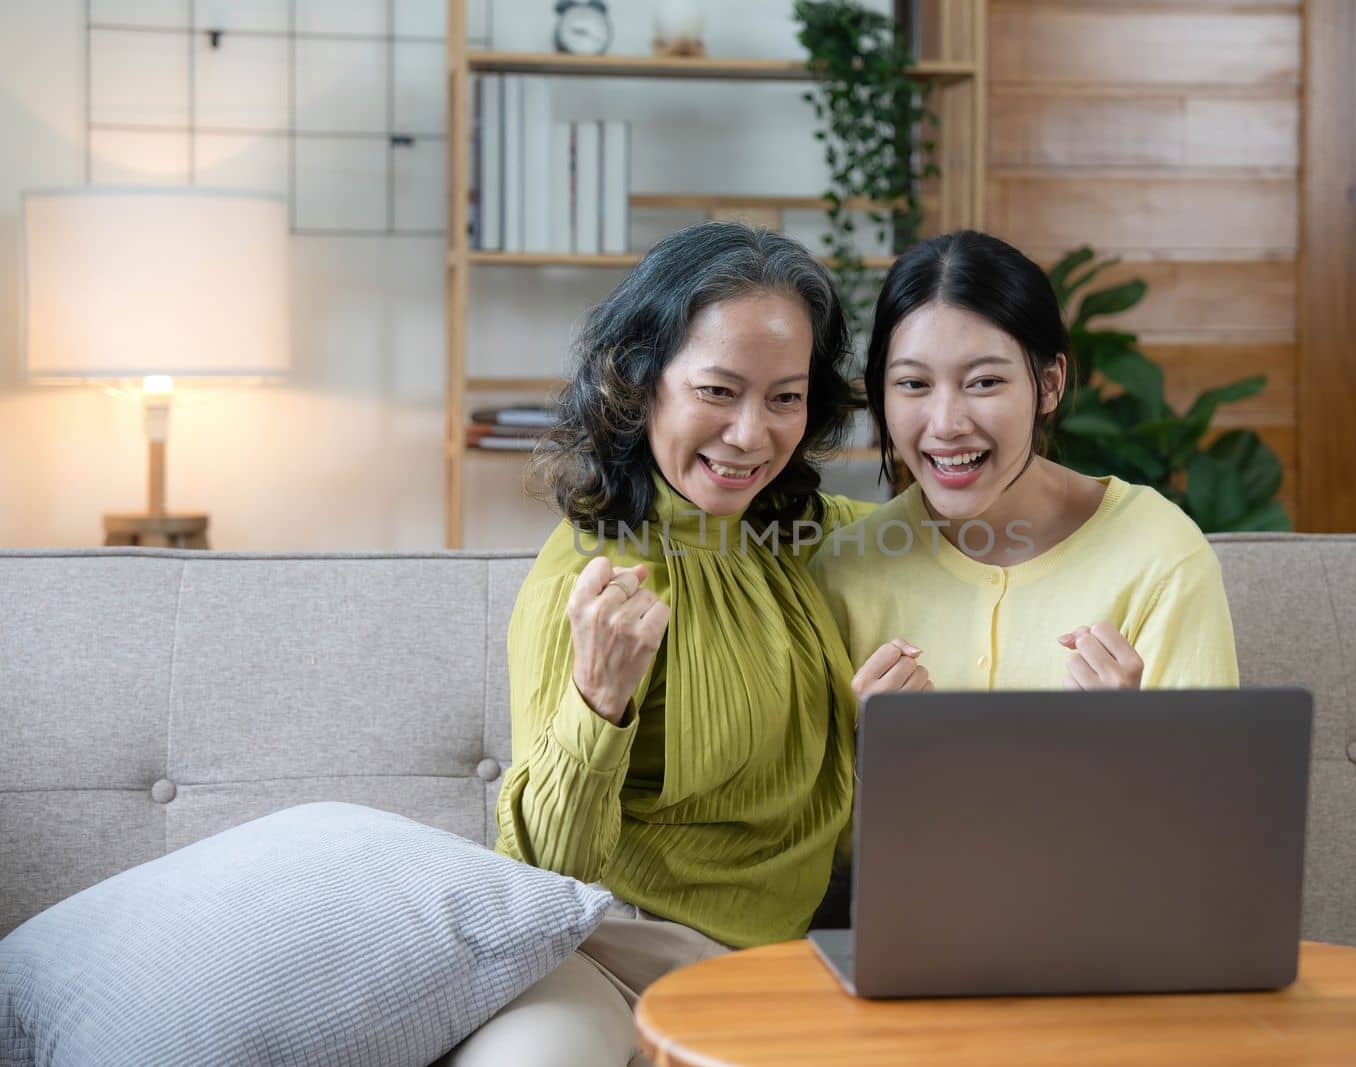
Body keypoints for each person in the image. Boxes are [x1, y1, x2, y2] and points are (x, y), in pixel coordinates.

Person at [449, 222, 871, 1066]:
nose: (752, 434)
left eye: (785, 397)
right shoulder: (591, 575)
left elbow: (981, 534)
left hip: (776, 969)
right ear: (640, 385)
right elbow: (538, 875)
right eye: (718, 390)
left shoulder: (810, 538)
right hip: (606, 957)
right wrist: (596, 705)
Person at [810, 230, 1239, 701]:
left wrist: (1128, 740)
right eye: (913, 384)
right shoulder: (845, 569)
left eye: (984, 381)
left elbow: (1208, 775)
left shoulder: (1161, 555)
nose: (947, 423)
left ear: (1050, 384)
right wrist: (869, 748)